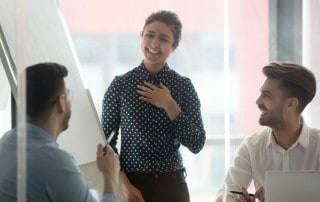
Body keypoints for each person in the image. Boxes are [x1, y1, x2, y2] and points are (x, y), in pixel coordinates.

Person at [101, 10, 206, 202]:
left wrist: (169, 104)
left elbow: (197, 143)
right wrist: (124, 184)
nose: (154, 43)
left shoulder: (183, 86)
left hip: (172, 184)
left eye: (164, 39)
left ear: (173, 47)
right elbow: (106, 144)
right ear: (141, 36)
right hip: (132, 184)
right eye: (150, 35)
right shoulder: (120, 85)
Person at [0, 62, 120, 202]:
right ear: (61, 102)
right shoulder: (55, 162)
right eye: (67, 94)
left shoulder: (6, 141)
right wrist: (110, 176)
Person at [216, 62, 319, 202]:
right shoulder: (252, 146)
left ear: (291, 104)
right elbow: (224, 193)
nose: (258, 101)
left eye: (267, 95)